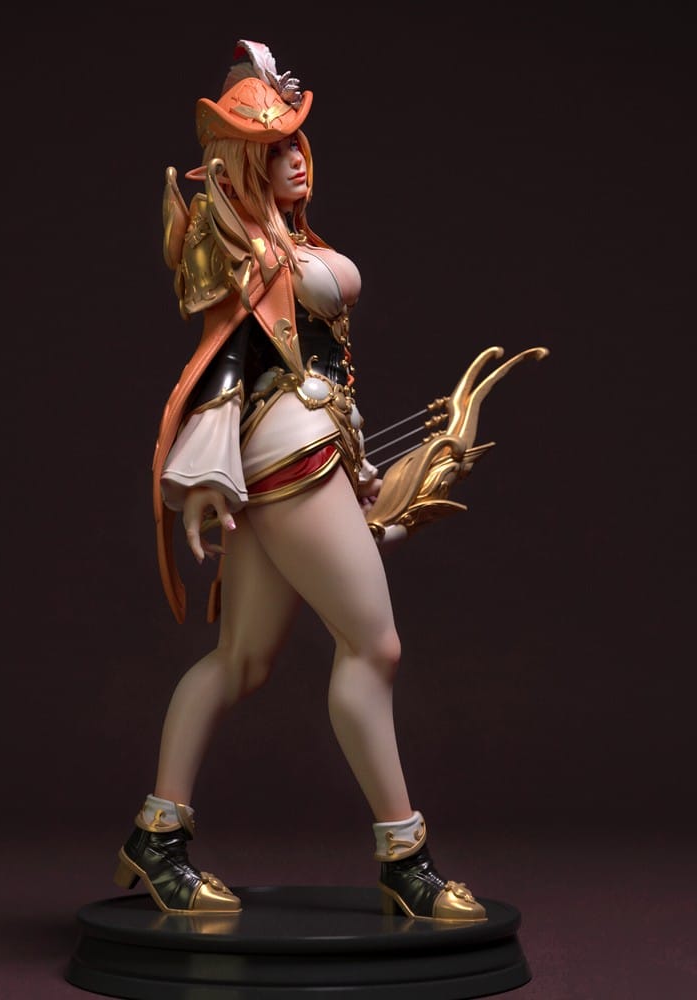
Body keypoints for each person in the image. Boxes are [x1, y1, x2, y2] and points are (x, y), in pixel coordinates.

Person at [112, 39, 486, 922]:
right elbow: (226, 363)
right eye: (275, 149)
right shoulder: (246, 250)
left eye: (298, 144)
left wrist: (358, 467)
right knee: (375, 648)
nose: (296, 159)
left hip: (311, 449)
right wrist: (206, 472)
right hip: (289, 455)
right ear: (243, 165)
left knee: (239, 661)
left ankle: (156, 838)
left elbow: (304, 354)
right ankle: (405, 857)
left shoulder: (285, 245)